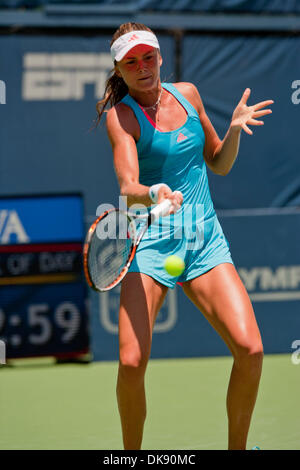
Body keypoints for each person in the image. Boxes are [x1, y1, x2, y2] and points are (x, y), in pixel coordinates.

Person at [96, 22, 273, 450]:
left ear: (160, 56)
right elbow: (128, 187)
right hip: (149, 245)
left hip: (203, 240)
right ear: (119, 70)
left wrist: (232, 131)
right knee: (131, 362)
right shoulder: (120, 117)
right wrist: (153, 191)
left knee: (250, 351)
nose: (144, 68)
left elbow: (218, 162)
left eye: (149, 57)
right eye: (132, 62)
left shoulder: (189, 94)